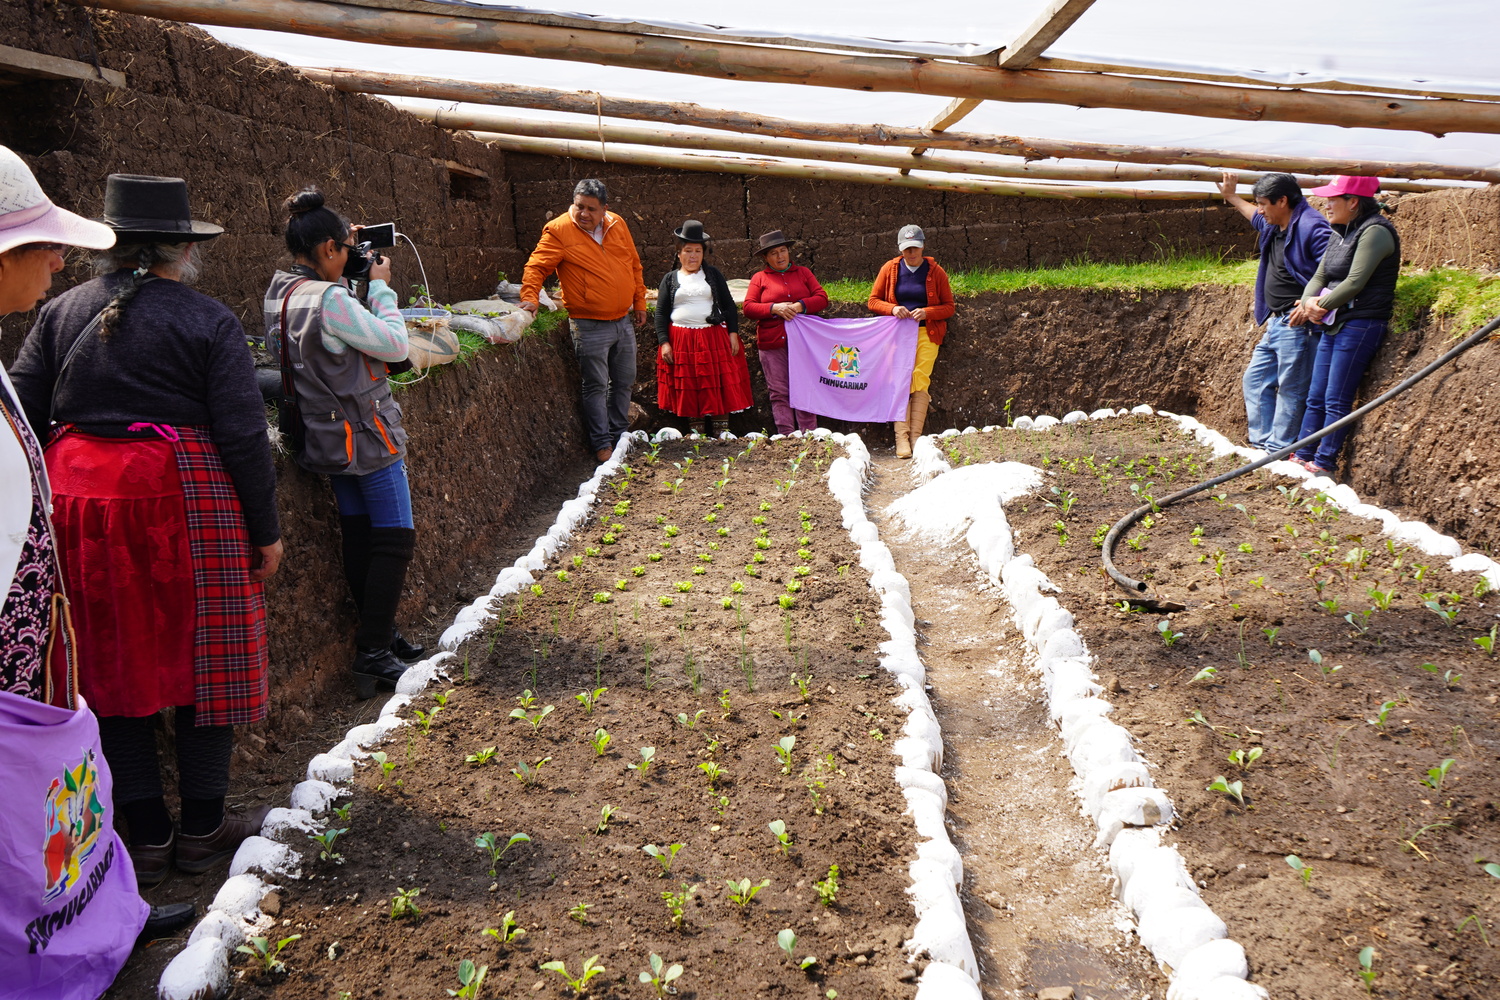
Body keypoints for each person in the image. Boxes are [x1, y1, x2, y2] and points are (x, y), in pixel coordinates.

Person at [0, 155, 230, 948]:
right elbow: (242, 432)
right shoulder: (205, 320)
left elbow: (28, 409)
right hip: (177, 510)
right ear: (181, 250)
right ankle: (202, 828)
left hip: (77, 518)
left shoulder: (58, 315)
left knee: (109, 668)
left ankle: (147, 835)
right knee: (206, 660)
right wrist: (264, 531)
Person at [264, 187, 424, 700]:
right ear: (329, 248)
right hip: (367, 432)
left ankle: (382, 634)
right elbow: (393, 344)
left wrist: (350, 276)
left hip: (326, 434)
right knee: (395, 538)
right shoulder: (331, 299)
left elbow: (330, 348)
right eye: (346, 247)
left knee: (359, 534)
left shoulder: (281, 292)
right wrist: (379, 288)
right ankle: (373, 650)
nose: (353, 253)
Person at [519, 178, 647, 463]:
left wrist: (639, 301)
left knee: (624, 381)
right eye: (579, 206)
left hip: (623, 320)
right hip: (588, 324)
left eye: (591, 208)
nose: (584, 213)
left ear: (604, 209)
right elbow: (536, 267)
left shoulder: (617, 224)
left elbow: (633, 264)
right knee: (596, 385)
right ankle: (602, 444)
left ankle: (619, 436)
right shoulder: (559, 230)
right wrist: (530, 296)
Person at [1287, 176, 1400, 476]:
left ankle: (1324, 463)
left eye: (1332, 199)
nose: (1325, 204)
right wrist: (1307, 302)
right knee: (1316, 396)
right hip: (1335, 322)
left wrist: (1319, 306)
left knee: (1336, 398)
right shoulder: (1340, 231)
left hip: (1361, 324)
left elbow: (1355, 282)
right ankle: (1302, 455)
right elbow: (1320, 275)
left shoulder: (1375, 231)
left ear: (1353, 202)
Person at [1219, 171, 1332, 454]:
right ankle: (1262, 445)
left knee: (1292, 389)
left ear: (1282, 201)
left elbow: (1335, 270)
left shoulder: (1312, 226)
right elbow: (1254, 217)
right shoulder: (1276, 224)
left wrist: (1312, 301)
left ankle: (1278, 451)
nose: (1259, 210)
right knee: (1255, 380)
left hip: (1299, 325)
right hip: (1277, 321)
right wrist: (1231, 197)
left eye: (1263, 203)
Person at [654, 220, 752, 436]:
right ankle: (696, 432)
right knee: (690, 382)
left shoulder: (713, 275)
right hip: (681, 340)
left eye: (698, 251)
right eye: (688, 251)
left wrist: (733, 333)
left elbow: (728, 306)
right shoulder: (670, 279)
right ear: (679, 253)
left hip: (713, 338)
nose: (693, 256)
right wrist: (664, 342)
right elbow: (660, 313)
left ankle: (721, 432)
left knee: (717, 380)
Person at [866, 224, 956, 458]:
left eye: (915, 248)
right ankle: (901, 438)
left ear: (923, 247)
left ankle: (915, 436)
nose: (911, 253)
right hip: (897, 335)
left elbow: (949, 307)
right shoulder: (890, 269)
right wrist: (892, 308)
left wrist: (927, 312)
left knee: (920, 377)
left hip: (927, 332)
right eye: (907, 249)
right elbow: (873, 301)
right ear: (900, 249)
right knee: (899, 380)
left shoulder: (936, 272)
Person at [743, 230, 828, 435]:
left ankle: (809, 435)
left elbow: (822, 298)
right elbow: (748, 307)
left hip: (804, 341)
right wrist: (774, 308)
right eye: (773, 253)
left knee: (805, 386)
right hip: (772, 342)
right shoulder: (760, 278)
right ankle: (786, 436)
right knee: (779, 391)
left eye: (783, 251)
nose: (780, 256)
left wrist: (800, 306)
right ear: (765, 258)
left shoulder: (803, 273)